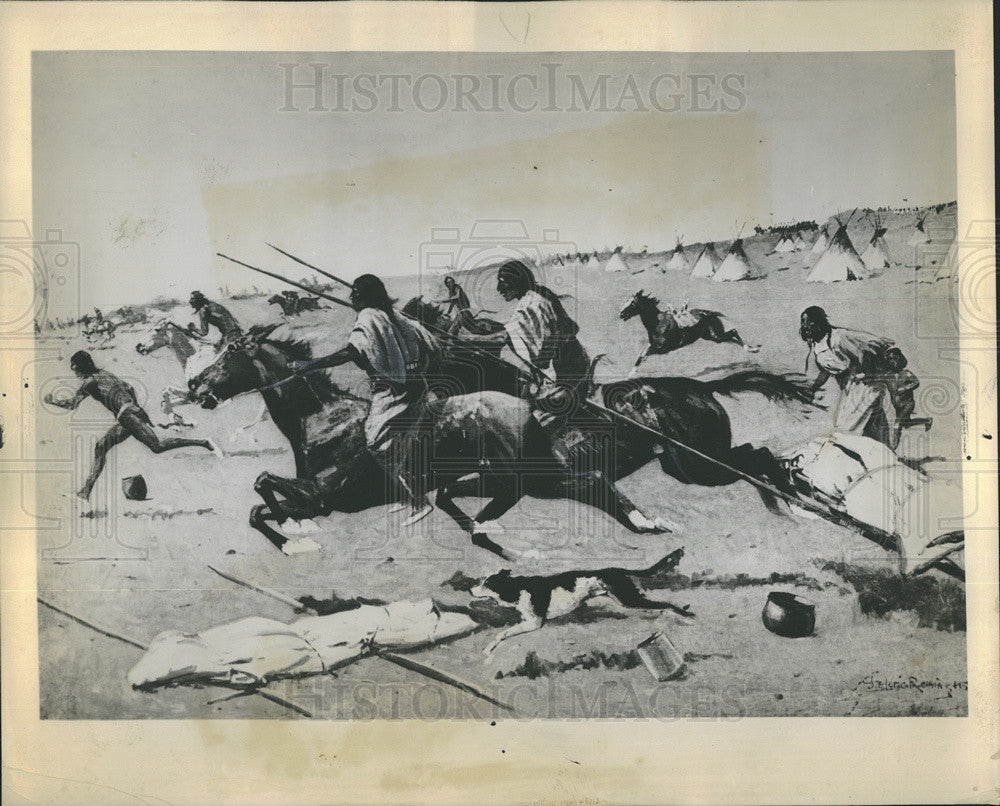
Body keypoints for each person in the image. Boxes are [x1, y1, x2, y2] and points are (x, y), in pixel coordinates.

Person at [293, 274, 439, 526]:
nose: (352, 297)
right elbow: (430, 346)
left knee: (376, 441)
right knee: (394, 440)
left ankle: (417, 499)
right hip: (417, 386)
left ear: (366, 296)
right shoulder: (393, 314)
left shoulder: (369, 317)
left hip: (395, 392)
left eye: (356, 293)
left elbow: (352, 352)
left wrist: (309, 364)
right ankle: (403, 494)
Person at [43, 351, 221, 501]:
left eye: (75, 369)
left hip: (128, 416)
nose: (75, 373)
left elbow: (71, 405)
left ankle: (204, 443)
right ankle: (84, 493)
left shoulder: (89, 382)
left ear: (81, 367)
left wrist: (53, 402)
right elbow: (129, 388)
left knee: (157, 447)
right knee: (100, 447)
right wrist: (133, 408)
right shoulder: (105, 374)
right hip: (128, 415)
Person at [799, 305, 896, 446]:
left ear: (819, 323)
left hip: (866, 386)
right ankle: (885, 459)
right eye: (803, 322)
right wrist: (811, 389)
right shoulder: (817, 344)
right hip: (851, 389)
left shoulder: (839, 338)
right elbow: (825, 370)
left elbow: (868, 350)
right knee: (873, 430)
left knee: (847, 428)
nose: (805, 326)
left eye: (810, 322)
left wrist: (864, 376)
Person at [879, 347, 932, 449]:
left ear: (900, 359)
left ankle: (892, 450)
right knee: (906, 424)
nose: (893, 362)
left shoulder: (906, 373)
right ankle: (926, 421)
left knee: (897, 425)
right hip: (897, 406)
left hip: (908, 404)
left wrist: (904, 388)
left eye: (895, 358)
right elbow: (877, 378)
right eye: (890, 359)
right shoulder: (887, 375)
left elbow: (916, 382)